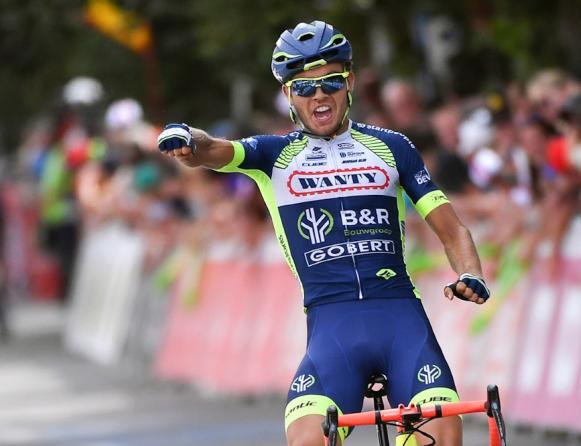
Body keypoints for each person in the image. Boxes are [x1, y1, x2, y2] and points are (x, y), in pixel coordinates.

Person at [157, 20, 490, 446]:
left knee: (444, 437)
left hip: (401, 320)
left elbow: (452, 229)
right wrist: (188, 139)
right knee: (308, 441)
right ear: (287, 95)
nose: (319, 95)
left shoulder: (393, 147)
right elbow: (213, 148)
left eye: (330, 83)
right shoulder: (272, 155)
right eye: (304, 88)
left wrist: (471, 273)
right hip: (333, 328)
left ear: (349, 83)